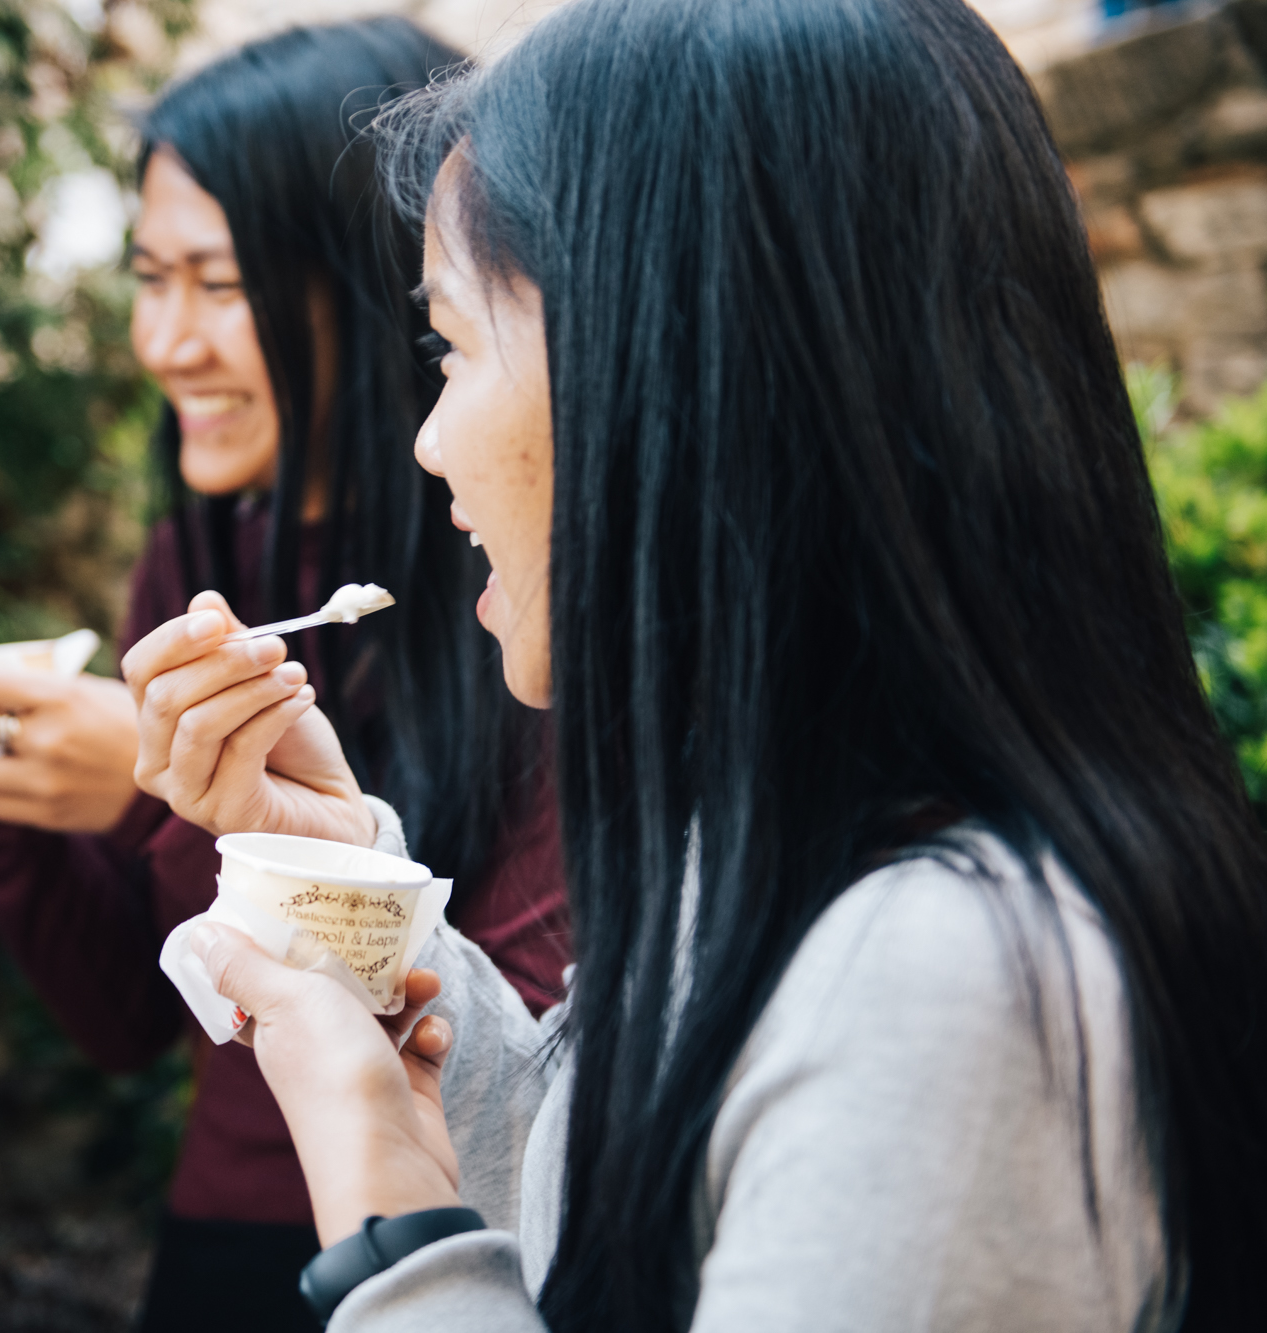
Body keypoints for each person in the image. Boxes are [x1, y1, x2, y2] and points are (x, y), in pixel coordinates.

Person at [124, 0, 1267, 1328]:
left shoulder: (945, 982)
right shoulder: (768, 849)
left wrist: (386, 1211)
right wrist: (351, 887)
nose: (428, 442)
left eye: (452, 348)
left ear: (662, 373)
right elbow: (608, 1203)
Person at [0, 19, 569, 1330]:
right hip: (226, 1234)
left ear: (370, 281)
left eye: (219, 285)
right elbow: (118, 1013)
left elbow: (523, 1028)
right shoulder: (204, 556)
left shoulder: (526, 584)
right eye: (149, 279)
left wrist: (153, 788)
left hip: (456, 1218)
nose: (165, 342)